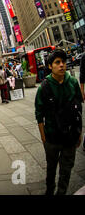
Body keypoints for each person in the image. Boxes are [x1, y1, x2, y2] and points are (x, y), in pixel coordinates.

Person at [35, 49, 83, 195]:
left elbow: (78, 109)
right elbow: (39, 114)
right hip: (52, 137)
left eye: (63, 62)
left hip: (70, 136)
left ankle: (61, 192)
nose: (62, 65)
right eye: (57, 62)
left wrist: (79, 133)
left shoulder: (73, 82)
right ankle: (50, 190)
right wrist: (43, 137)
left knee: (66, 169)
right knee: (51, 168)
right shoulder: (44, 87)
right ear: (50, 66)